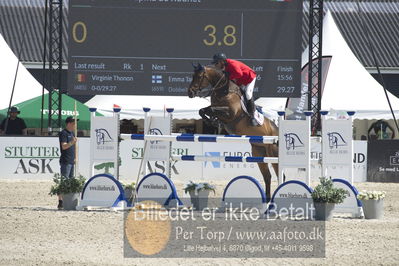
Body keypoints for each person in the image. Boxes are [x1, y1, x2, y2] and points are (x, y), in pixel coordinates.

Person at [212, 53, 258, 126]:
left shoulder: (232, 63)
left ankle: (252, 116)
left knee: (248, 94)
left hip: (249, 78)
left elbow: (239, 74)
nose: (216, 65)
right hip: (241, 80)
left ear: (222, 61)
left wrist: (228, 78)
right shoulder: (225, 67)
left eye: (216, 63)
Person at [57, 116, 79, 209]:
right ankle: (60, 201)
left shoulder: (73, 133)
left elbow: (74, 147)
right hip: (65, 160)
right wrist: (72, 142)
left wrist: (75, 157)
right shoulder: (64, 133)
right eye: (74, 123)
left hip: (71, 160)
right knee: (64, 181)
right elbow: (64, 146)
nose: (75, 125)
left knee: (70, 181)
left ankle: (68, 201)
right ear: (69, 123)